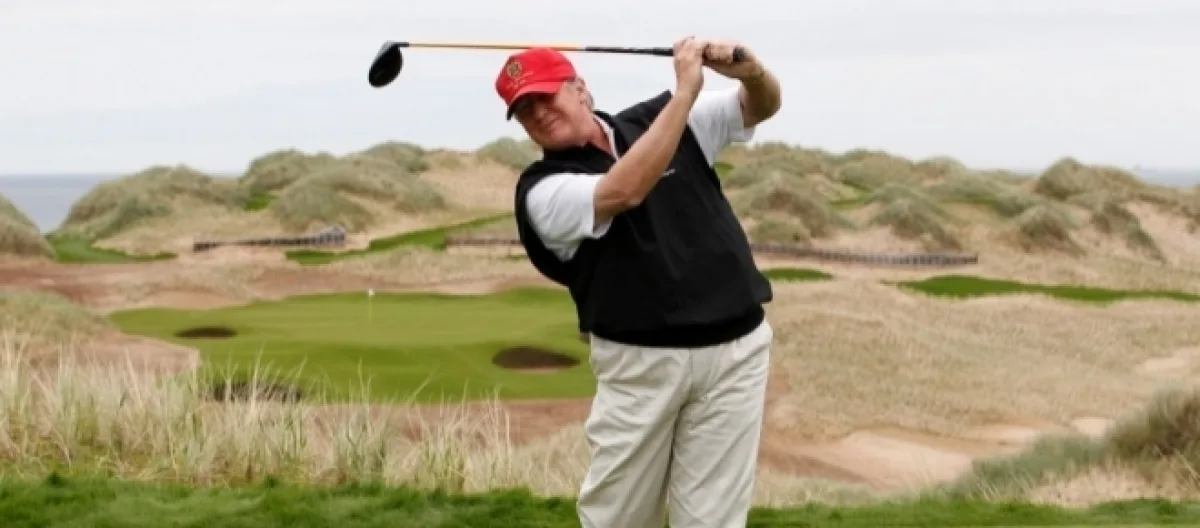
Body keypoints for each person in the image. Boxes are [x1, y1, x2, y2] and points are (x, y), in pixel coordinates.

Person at [494, 36, 783, 528]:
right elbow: (626, 188)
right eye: (524, 109)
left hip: (736, 353)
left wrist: (752, 73)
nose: (538, 113)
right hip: (641, 368)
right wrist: (686, 91)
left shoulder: (661, 117)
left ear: (580, 89)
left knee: (714, 520)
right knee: (619, 518)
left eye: (545, 96)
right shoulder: (543, 191)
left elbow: (759, 107)